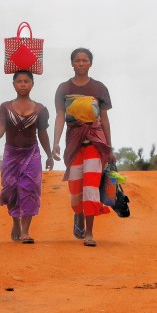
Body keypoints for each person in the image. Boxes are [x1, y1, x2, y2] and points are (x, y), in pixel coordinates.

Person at [52, 48, 113, 247]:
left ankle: (89, 232)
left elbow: (104, 119)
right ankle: (78, 214)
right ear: (71, 63)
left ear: (90, 63)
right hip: (73, 142)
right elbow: (60, 116)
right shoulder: (63, 88)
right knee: (76, 189)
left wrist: (109, 147)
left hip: (95, 141)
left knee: (90, 187)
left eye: (84, 60)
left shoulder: (99, 88)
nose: (81, 63)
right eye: (77, 60)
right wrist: (56, 143)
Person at [0, 70, 54, 244]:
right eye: (19, 81)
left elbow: (43, 133)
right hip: (11, 154)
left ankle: (25, 231)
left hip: (32, 153)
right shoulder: (6, 107)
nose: (23, 84)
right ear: (13, 84)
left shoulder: (41, 109)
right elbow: (1, 125)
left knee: (30, 189)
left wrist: (49, 155)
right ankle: (16, 221)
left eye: (26, 81)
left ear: (33, 84)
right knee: (10, 189)